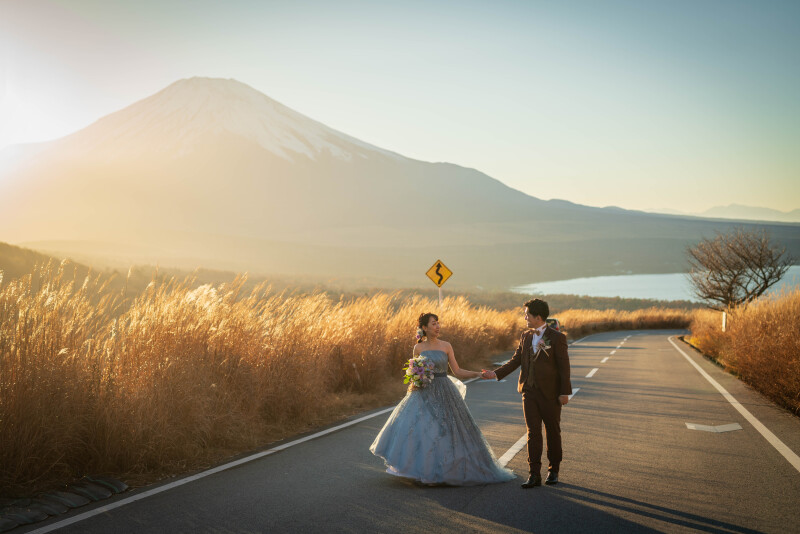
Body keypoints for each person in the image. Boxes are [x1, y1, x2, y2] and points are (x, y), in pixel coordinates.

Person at [370, 312, 515, 486]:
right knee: (425, 431)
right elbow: (415, 371)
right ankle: (425, 471)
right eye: (433, 324)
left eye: (438, 323)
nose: (437, 327)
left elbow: (457, 371)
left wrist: (477, 373)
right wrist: (416, 380)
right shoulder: (418, 348)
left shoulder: (446, 346)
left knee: (449, 429)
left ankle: (449, 471)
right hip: (424, 392)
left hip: (445, 390)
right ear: (424, 328)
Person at [482, 298, 571, 488]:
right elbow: (515, 361)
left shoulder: (557, 338)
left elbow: (564, 368)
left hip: (551, 394)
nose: (525, 318)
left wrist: (564, 393)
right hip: (528, 392)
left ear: (538, 317)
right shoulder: (525, 336)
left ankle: (553, 470)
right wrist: (494, 374)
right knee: (533, 432)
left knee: (553, 432)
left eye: (527, 315)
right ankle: (534, 474)